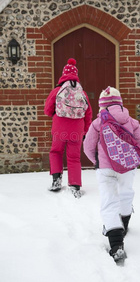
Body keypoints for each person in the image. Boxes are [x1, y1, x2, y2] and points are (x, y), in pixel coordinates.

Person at [83, 86, 140, 264]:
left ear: (101, 106)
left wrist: (98, 162)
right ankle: (124, 225)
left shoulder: (97, 123)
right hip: (128, 168)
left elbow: (88, 147)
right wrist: (130, 160)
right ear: (120, 103)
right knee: (126, 193)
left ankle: (117, 244)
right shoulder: (132, 121)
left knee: (109, 201)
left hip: (105, 169)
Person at [44, 58, 92, 198]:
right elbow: (88, 114)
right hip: (77, 129)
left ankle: (56, 181)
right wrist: (85, 130)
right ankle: (75, 186)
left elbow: (47, 110)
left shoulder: (57, 90)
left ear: (63, 74)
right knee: (74, 157)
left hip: (59, 129)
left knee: (56, 152)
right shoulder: (82, 93)